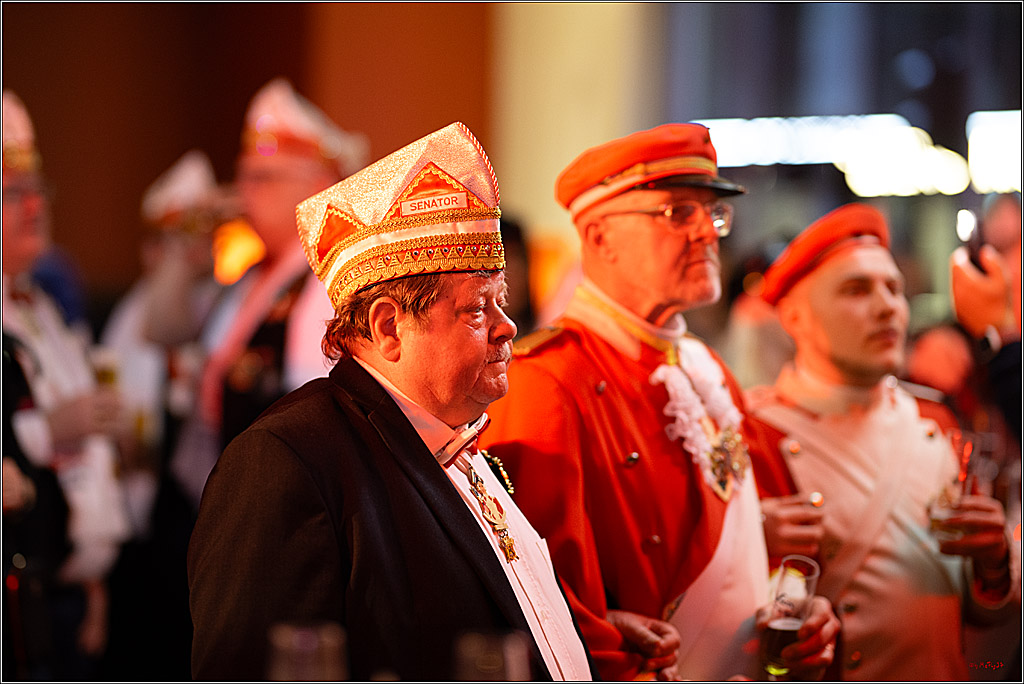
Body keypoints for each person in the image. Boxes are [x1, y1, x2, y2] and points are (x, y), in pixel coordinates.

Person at [187, 122, 596, 681]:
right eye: (477, 309)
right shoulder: (284, 463)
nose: (508, 328)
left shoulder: (460, 438)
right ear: (389, 327)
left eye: (503, 302)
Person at [479, 123, 839, 681]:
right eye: (678, 213)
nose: (707, 233)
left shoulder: (706, 367)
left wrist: (796, 606)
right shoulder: (545, 379)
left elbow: (756, 546)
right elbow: (542, 602)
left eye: (712, 213)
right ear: (600, 238)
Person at [744, 203, 1017, 680]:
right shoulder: (756, 433)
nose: (887, 305)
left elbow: (975, 612)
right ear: (794, 317)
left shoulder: (936, 418)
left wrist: (994, 562)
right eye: (856, 289)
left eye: (894, 287)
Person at [147, 78, 369, 513]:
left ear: (317, 186)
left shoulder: (326, 282)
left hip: (277, 505)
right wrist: (185, 242)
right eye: (243, 176)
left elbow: (319, 415)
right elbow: (160, 329)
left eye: (263, 178)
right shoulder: (248, 278)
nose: (243, 191)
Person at [2, 89, 132, 679]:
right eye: (12, 194)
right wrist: (53, 427)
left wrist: (93, 581)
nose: (35, 207)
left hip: (73, 594)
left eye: (39, 191)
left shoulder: (44, 310)